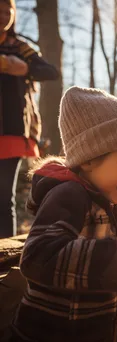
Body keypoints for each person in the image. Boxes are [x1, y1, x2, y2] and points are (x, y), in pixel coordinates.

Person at [10, 86, 117, 342]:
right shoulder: (69, 195)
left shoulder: (106, 201)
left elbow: (93, 266)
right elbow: (38, 256)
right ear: (88, 160)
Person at [0, 0, 59, 238]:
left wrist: (23, 69)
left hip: (12, 130)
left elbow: (50, 71)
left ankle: (3, 256)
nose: (4, 15)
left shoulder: (20, 47)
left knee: (4, 197)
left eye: (8, 10)